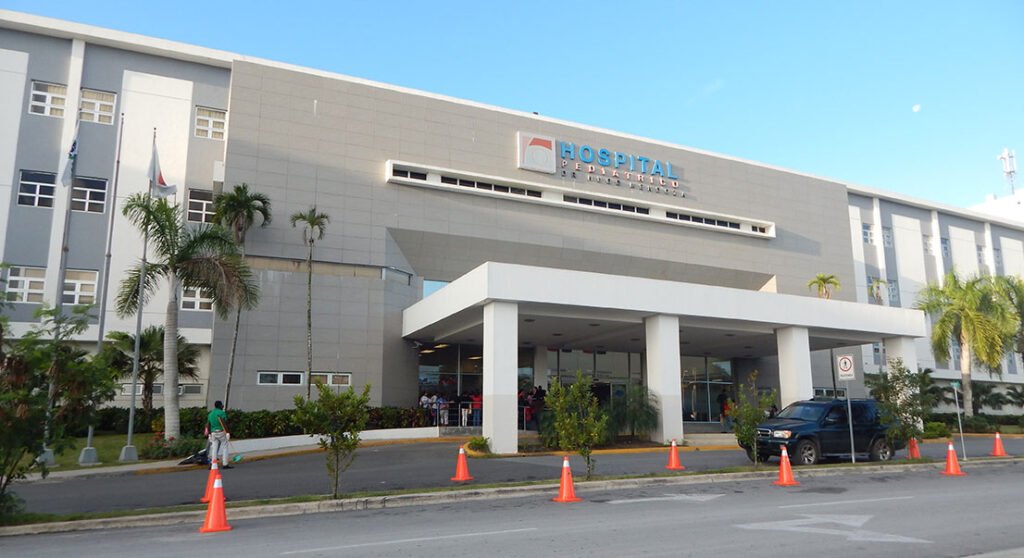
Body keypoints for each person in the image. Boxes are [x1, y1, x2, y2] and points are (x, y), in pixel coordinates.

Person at [207, 400, 231, 468]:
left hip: (213, 433)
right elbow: (224, 423)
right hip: (221, 432)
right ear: (220, 406)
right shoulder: (221, 413)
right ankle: (225, 464)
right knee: (225, 446)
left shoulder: (210, 414)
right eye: (222, 405)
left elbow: (208, 424)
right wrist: (227, 432)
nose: (223, 406)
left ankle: (213, 464)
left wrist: (209, 434)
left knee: (214, 448)